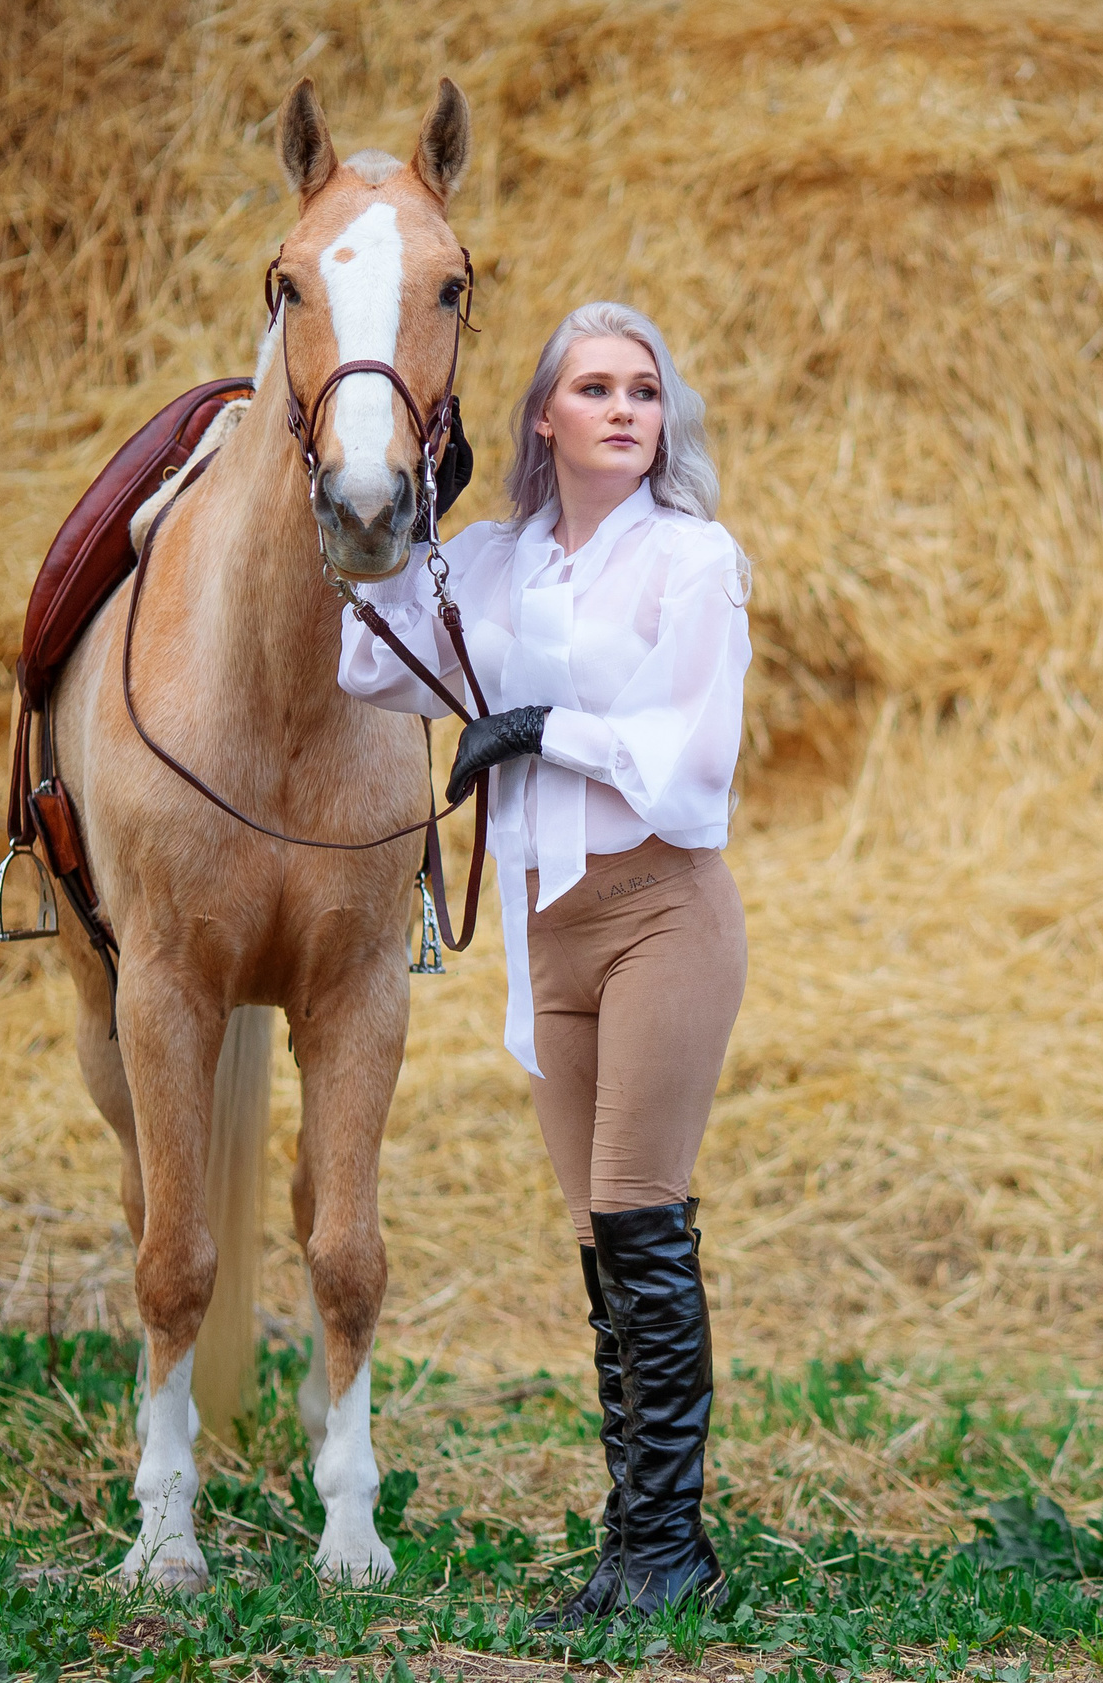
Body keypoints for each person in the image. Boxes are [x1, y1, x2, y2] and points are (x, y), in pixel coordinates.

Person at [337, 301, 752, 1623]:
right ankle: (636, 1546)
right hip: (546, 928)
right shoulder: (503, 562)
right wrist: (409, 524)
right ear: (544, 418)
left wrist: (537, 728)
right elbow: (371, 654)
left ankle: (671, 1556)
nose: (626, 408)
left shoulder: (694, 561)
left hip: (658, 914)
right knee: (596, 1245)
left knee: (639, 1215)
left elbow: (693, 776)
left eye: (645, 389)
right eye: (596, 388)